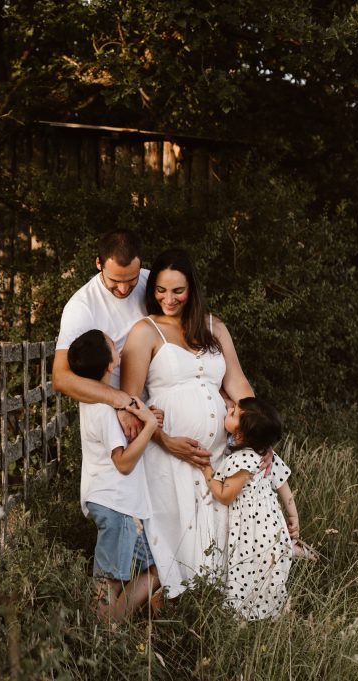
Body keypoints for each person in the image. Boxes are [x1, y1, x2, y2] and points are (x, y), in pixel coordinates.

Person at [120, 248, 256, 598]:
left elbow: (238, 384)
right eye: (161, 290)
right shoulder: (144, 332)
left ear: (192, 289)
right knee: (176, 548)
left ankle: (219, 610)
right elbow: (130, 404)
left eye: (177, 291)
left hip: (217, 457)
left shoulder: (214, 326)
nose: (168, 298)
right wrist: (166, 441)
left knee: (223, 544)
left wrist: (257, 434)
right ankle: (168, 615)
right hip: (167, 456)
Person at [67, 329, 160, 620]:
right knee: (109, 582)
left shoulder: (102, 402)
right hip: (115, 504)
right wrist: (149, 429)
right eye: (111, 343)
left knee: (154, 571)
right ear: (110, 364)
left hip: (127, 507)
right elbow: (123, 463)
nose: (115, 343)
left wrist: (145, 417)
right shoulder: (101, 409)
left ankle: (114, 627)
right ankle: (102, 640)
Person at [201, 397, 300, 620]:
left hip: (252, 531)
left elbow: (225, 495)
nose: (229, 409)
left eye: (234, 412)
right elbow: (283, 484)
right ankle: (272, 612)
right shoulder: (263, 452)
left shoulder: (242, 460)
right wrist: (293, 515)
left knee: (247, 571)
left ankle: (248, 616)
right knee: (268, 573)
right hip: (273, 525)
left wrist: (206, 469)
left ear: (241, 435)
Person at [52, 230, 148, 413]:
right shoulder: (81, 306)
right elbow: (61, 377)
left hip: (158, 408)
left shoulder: (152, 283)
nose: (123, 288)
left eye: (131, 279)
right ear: (98, 263)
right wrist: (120, 400)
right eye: (115, 280)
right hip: (111, 415)